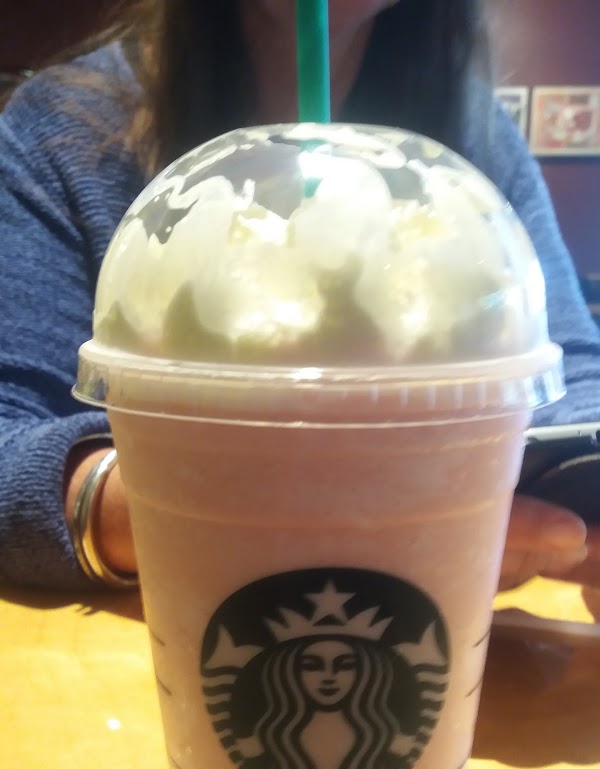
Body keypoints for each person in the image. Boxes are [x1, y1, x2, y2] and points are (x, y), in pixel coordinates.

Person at [0, 0, 598, 592]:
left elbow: (568, 374)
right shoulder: (63, 129)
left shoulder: (477, 140)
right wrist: (179, 508)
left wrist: (579, 486)